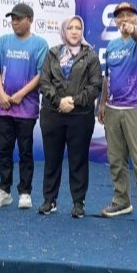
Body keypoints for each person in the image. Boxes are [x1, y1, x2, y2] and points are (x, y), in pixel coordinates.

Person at [97, 1, 137, 225]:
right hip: (114, 109)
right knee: (116, 159)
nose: (124, 19)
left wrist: (133, 30)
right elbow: (107, 76)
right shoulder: (112, 46)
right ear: (115, 20)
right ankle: (121, 201)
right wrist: (102, 103)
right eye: (120, 15)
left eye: (129, 15)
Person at [38, 15, 102, 218]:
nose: (74, 31)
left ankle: (78, 203)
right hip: (52, 114)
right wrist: (59, 101)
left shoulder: (91, 55)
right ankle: (49, 200)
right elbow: (44, 82)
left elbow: (95, 86)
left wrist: (73, 101)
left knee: (78, 160)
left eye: (78, 28)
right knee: (52, 159)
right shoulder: (52, 53)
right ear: (64, 31)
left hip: (80, 116)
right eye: (70, 28)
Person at [0, 3, 48, 209]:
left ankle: (25, 192)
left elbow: (41, 74)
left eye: (19, 19)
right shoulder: (3, 40)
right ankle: (4, 190)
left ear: (30, 20)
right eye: (12, 19)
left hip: (27, 108)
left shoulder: (40, 43)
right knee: (4, 150)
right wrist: (1, 93)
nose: (15, 22)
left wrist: (21, 94)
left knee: (25, 152)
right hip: (4, 106)